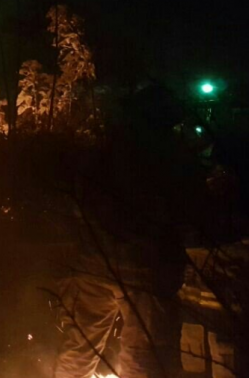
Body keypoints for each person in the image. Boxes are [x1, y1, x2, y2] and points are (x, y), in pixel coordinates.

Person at [54, 84, 208, 378]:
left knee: (79, 350)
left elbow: (76, 202)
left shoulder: (102, 151)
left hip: (94, 264)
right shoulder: (174, 158)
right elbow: (194, 212)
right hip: (147, 270)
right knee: (147, 359)